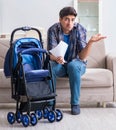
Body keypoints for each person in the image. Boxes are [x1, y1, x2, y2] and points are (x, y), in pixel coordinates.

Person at [47, 6, 106, 115]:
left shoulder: (80, 29)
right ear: (60, 19)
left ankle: (75, 104)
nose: (70, 23)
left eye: (72, 20)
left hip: (76, 65)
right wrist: (56, 58)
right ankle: (50, 104)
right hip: (60, 64)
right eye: (66, 19)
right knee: (50, 65)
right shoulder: (53, 30)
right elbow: (50, 54)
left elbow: (82, 57)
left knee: (73, 66)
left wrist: (90, 43)